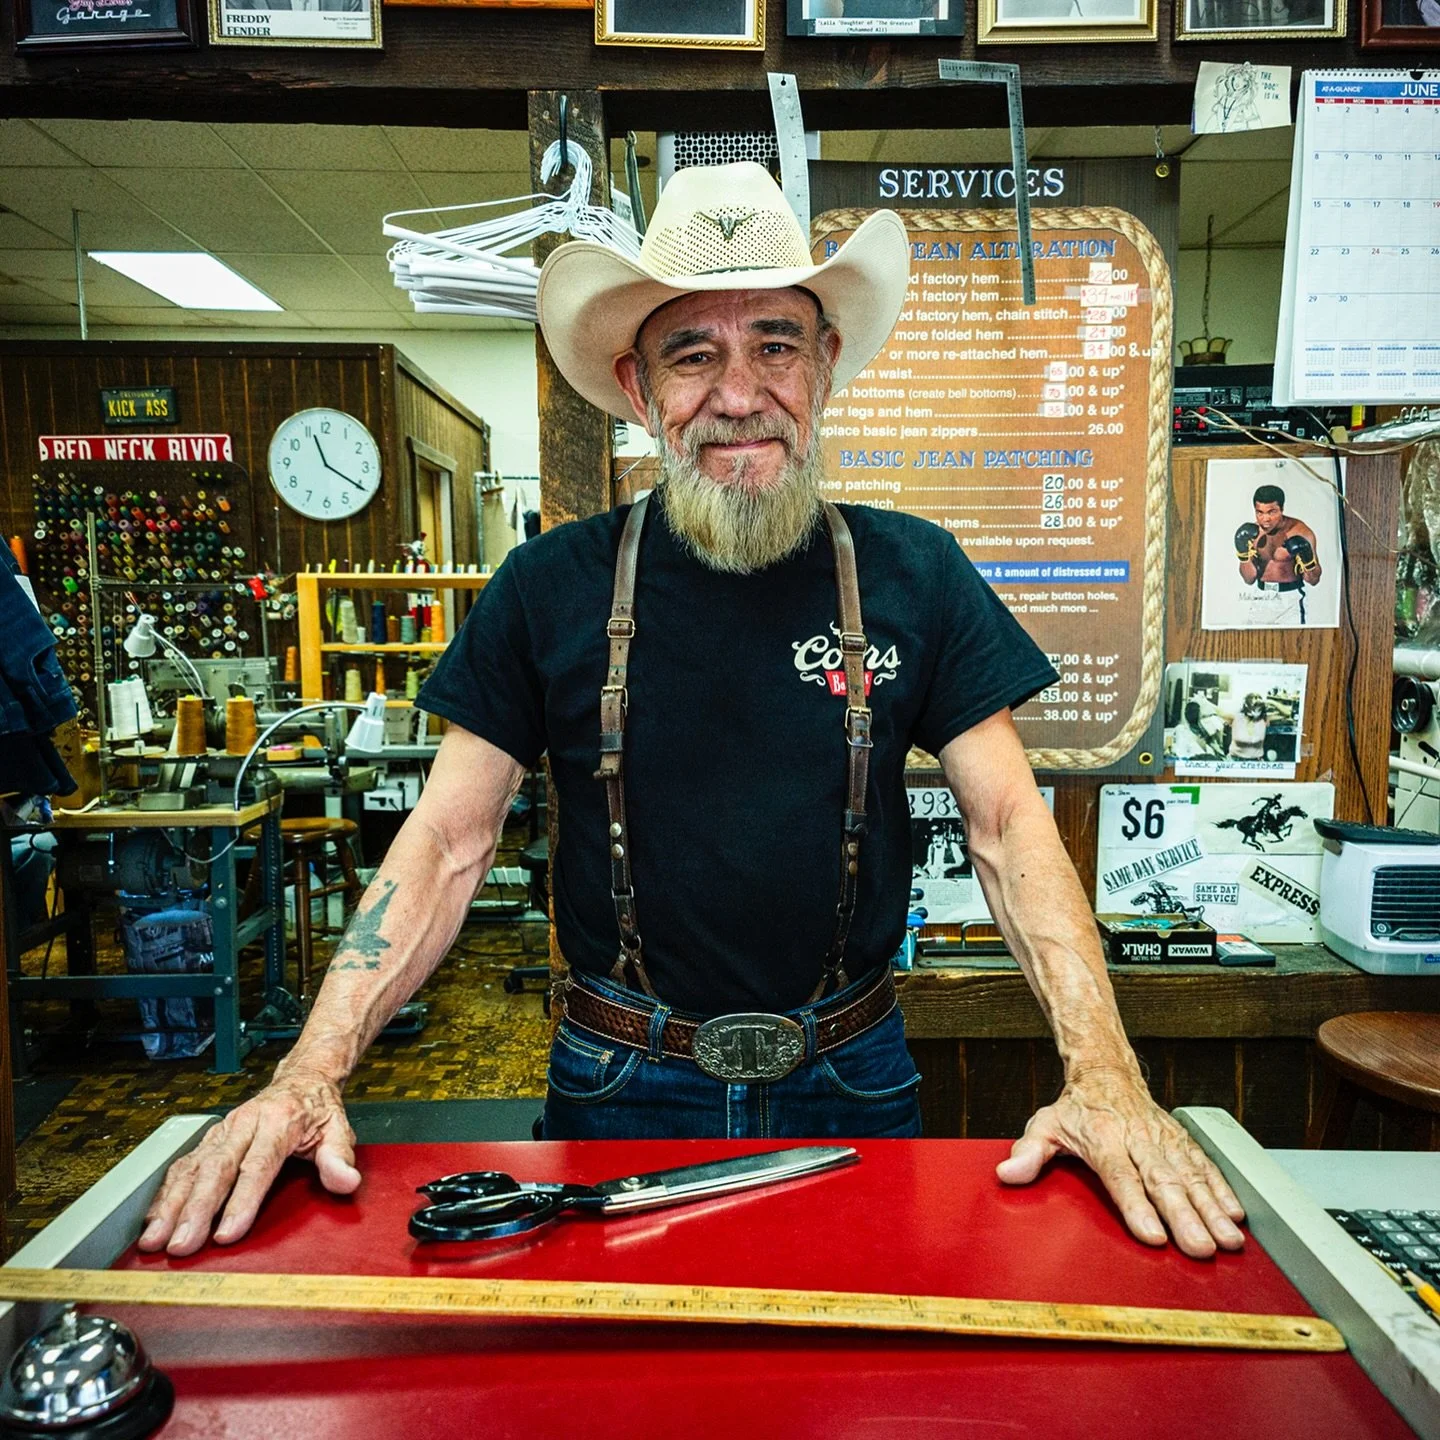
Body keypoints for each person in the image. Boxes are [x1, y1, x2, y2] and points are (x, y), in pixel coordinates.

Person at [139, 162, 1244, 1264]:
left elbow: (1008, 824)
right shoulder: (548, 585)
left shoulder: (918, 571)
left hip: (853, 1074)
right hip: (619, 1079)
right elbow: (445, 840)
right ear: (638, 388)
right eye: (693, 353)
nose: (739, 393)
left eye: (776, 344)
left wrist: (1107, 1075)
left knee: (857, 1349)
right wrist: (308, 1073)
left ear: (826, 366)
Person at [1234, 483, 1322, 626]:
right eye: (1260, 512)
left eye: (1272, 512)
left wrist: (1307, 559)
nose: (1265, 519)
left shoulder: (1300, 532)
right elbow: (1248, 579)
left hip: (1291, 600)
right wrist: (1243, 555)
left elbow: (1314, 580)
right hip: (1261, 598)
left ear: (1282, 509)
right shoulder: (1252, 534)